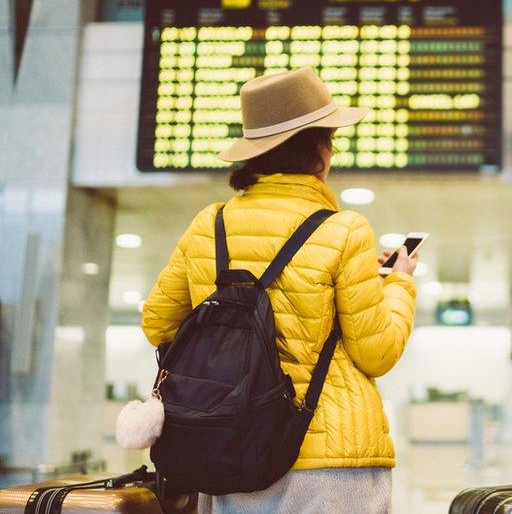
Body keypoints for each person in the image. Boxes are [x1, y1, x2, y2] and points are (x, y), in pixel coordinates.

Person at [141, 67, 418, 514]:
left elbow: (157, 322)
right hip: (329, 458)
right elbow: (377, 352)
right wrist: (400, 283)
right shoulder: (344, 230)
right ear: (319, 150)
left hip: (223, 446)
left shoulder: (210, 224)